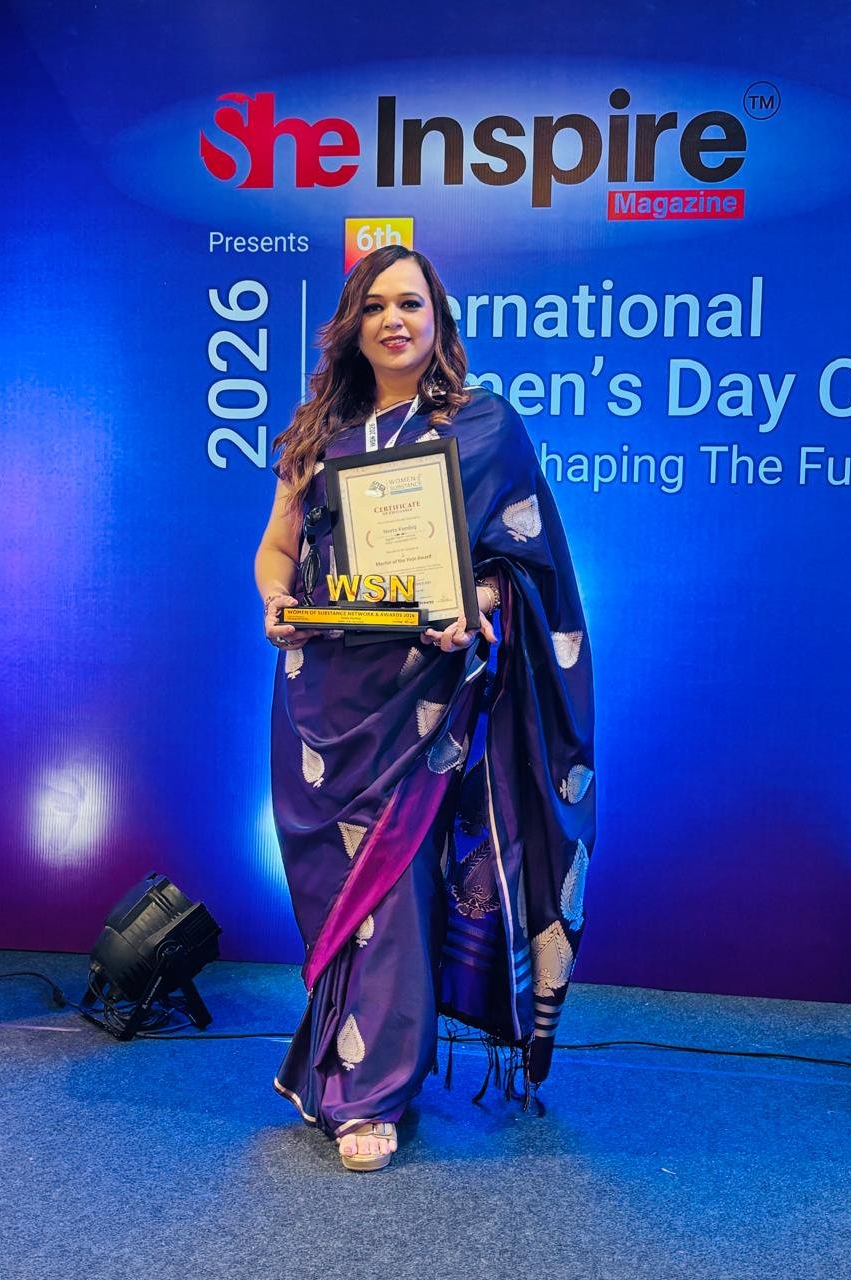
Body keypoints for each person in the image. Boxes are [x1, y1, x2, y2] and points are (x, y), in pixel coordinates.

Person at [254, 245, 595, 1172]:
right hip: (323, 697)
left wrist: (477, 600)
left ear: (438, 318)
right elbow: (277, 549)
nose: (393, 321)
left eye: (410, 303)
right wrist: (276, 597)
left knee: (396, 884)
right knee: (338, 891)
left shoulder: (485, 425)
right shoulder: (320, 432)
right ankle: (339, 1058)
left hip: (423, 697)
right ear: (351, 327)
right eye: (374, 307)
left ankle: (373, 1093)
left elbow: (526, 563)